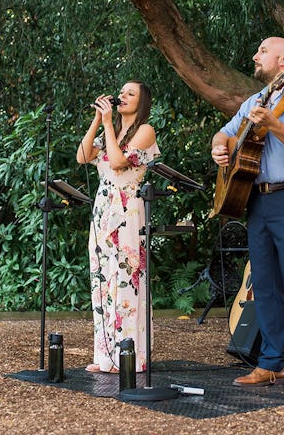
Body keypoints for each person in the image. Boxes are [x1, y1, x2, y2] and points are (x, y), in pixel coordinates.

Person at [211, 37, 284, 393]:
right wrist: (220, 147)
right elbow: (224, 133)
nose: (254, 54)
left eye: (261, 50)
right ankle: (272, 363)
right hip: (255, 200)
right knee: (264, 286)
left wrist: (272, 124)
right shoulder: (255, 100)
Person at [76, 80, 159, 373]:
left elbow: (119, 163)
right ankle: (105, 356)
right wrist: (98, 120)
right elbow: (83, 156)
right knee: (102, 281)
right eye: (121, 92)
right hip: (102, 209)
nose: (122, 96)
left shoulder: (145, 130)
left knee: (125, 280)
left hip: (127, 211)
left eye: (130, 93)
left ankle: (129, 356)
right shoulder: (110, 128)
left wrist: (109, 125)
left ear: (142, 101)